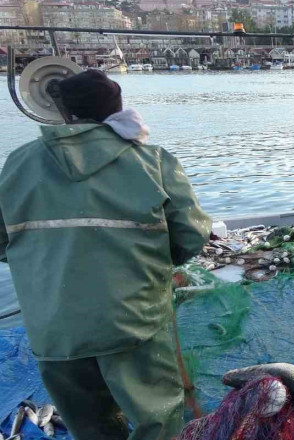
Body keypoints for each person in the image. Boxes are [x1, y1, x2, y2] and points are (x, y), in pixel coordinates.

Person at [0, 70, 210, 440]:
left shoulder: (17, 164)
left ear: (63, 112)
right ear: (117, 108)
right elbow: (191, 235)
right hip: (133, 321)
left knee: (90, 426)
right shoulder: (153, 162)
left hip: (54, 329)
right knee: (157, 419)